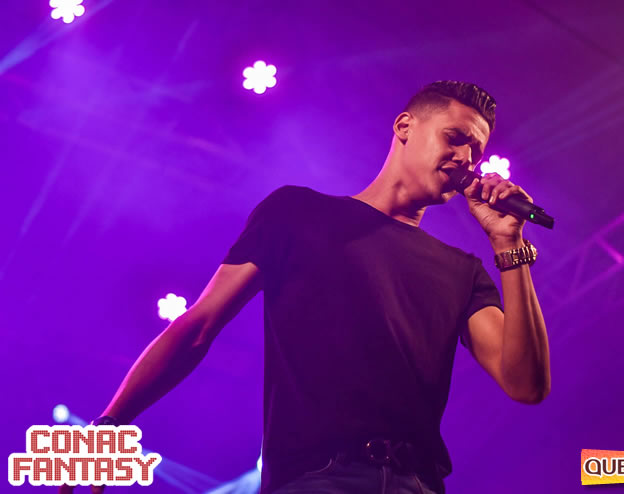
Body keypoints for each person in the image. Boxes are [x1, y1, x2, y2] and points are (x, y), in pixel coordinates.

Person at [61, 81, 550, 494]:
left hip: (416, 484)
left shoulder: (461, 270)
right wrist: (107, 430)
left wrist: (509, 245)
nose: (467, 158)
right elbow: (198, 325)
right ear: (405, 127)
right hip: (316, 478)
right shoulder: (298, 213)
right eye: (455, 138)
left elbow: (526, 385)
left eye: (476, 151)